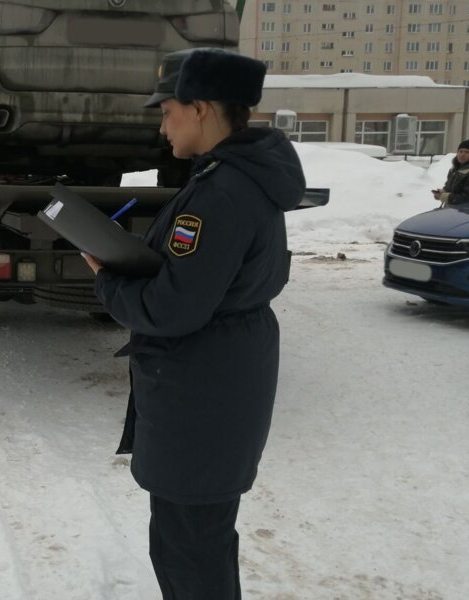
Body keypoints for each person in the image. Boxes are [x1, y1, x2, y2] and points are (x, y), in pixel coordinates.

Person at [81, 48, 305, 599]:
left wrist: (109, 279)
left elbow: (172, 308)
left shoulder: (219, 194)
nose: (162, 126)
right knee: (199, 544)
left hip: (201, 396)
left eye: (167, 111)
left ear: (201, 108)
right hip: (218, 386)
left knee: (189, 554)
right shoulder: (238, 179)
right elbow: (201, 279)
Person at [432, 137, 469, 206]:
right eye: (460, 151)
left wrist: (444, 196)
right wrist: (442, 192)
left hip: (467, 213)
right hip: (453, 211)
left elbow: (466, 198)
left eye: (467, 152)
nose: (463, 154)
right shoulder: (454, 170)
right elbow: (450, 187)